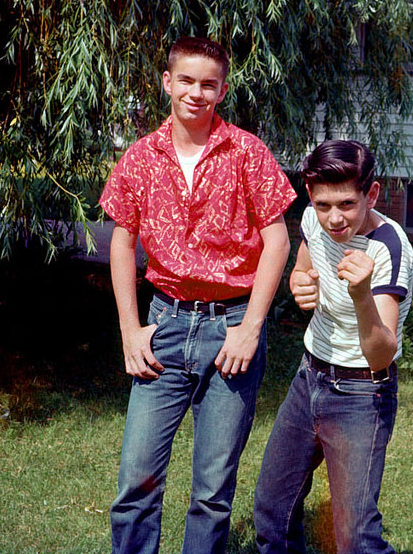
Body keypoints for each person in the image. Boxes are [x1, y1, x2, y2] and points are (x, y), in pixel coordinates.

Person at [100, 36, 297, 554]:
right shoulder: (142, 157)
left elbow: (278, 241)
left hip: (230, 330)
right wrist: (129, 328)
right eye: (186, 80)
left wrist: (251, 329)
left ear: (222, 89)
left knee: (212, 493)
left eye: (208, 83)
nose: (196, 92)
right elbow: (122, 241)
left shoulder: (248, 152)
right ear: (167, 82)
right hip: (163, 328)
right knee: (135, 483)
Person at [253, 140, 413, 554]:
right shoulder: (312, 220)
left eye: (346, 203)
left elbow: (381, 352)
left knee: (355, 537)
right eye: (324, 204)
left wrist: (362, 295)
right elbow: (303, 269)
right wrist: (298, 284)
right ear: (310, 196)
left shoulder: (388, 249)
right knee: (273, 510)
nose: (334, 218)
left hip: (363, 393)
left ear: (371, 194)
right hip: (309, 379)